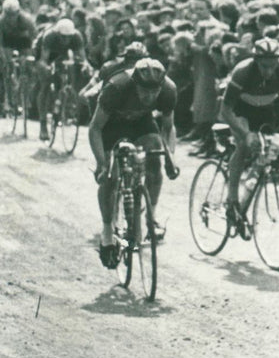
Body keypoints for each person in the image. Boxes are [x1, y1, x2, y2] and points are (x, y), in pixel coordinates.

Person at [89, 57, 178, 268]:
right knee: (110, 177)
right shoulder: (116, 88)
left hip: (140, 122)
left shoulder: (168, 90)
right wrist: (102, 164)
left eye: (154, 91)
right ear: (134, 84)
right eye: (144, 91)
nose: (150, 96)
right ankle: (108, 231)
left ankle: (152, 216)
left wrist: (170, 157)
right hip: (111, 124)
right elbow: (95, 129)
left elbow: (168, 128)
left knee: (156, 159)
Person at [220, 38, 279, 232]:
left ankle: (247, 194)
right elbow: (225, 110)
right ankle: (232, 199)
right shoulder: (243, 71)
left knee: (268, 150)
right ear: (255, 60)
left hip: (265, 108)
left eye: (273, 66)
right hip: (239, 109)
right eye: (264, 66)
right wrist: (246, 133)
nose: (269, 71)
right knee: (243, 145)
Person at [34, 16, 87, 142]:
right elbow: (43, 60)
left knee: (70, 70)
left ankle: (64, 100)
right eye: (63, 37)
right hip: (46, 53)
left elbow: (83, 58)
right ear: (58, 34)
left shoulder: (76, 36)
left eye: (69, 37)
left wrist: (85, 65)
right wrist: (46, 68)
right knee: (45, 83)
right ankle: (43, 124)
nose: (66, 39)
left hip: (62, 54)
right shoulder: (49, 36)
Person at [0, 0, 36, 111]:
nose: (10, 18)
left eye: (13, 15)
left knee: (27, 63)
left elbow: (34, 40)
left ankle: (26, 94)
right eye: (7, 15)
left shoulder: (27, 20)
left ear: (18, 12)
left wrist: (31, 56)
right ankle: (8, 95)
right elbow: (0, 44)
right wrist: (5, 59)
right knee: (7, 65)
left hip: (23, 41)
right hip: (8, 41)